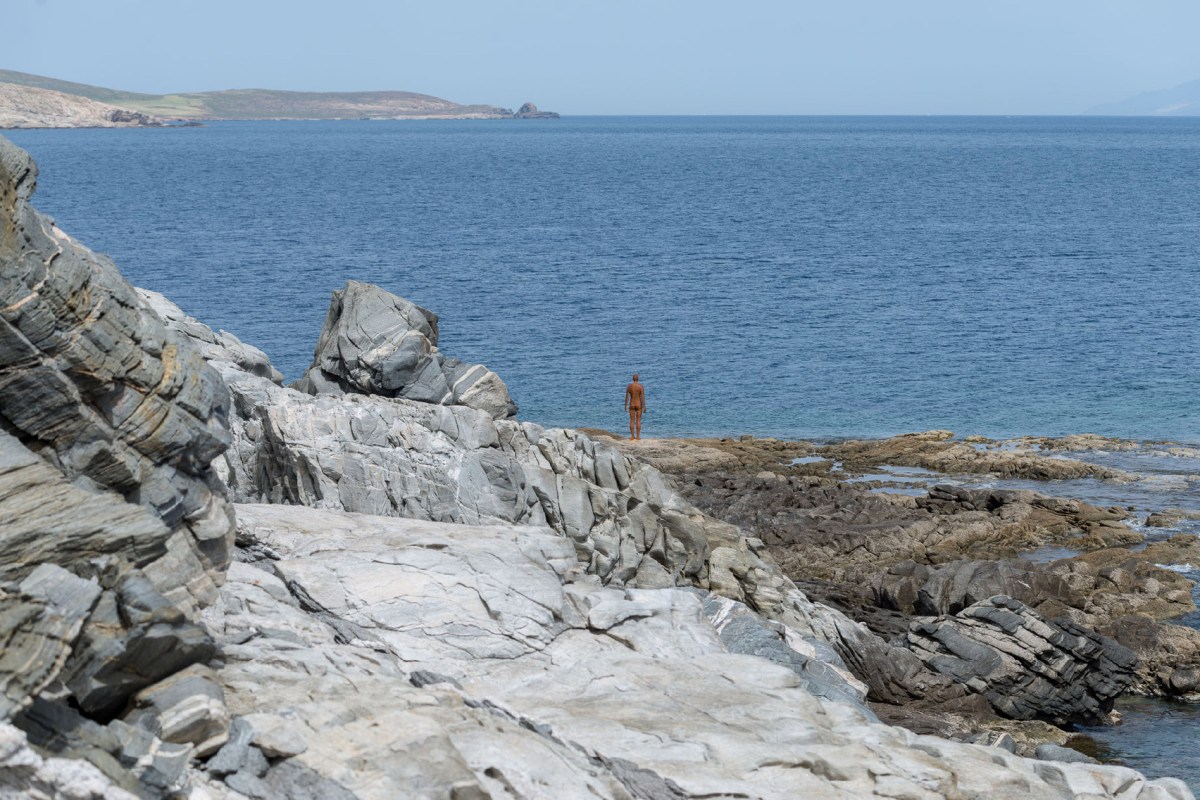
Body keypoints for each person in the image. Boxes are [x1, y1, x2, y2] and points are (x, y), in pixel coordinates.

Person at [624, 373, 646, 440]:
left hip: (632, 404)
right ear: (638, 379)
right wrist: (644, 406)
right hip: (638, 404)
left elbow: (627, 397)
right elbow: (642, 397)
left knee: (632, 420)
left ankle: (632, 436)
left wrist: (625, 406)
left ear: (633, 379)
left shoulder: (629, 386)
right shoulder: (641, 386)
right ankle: (638, 436)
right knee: (638, 420)